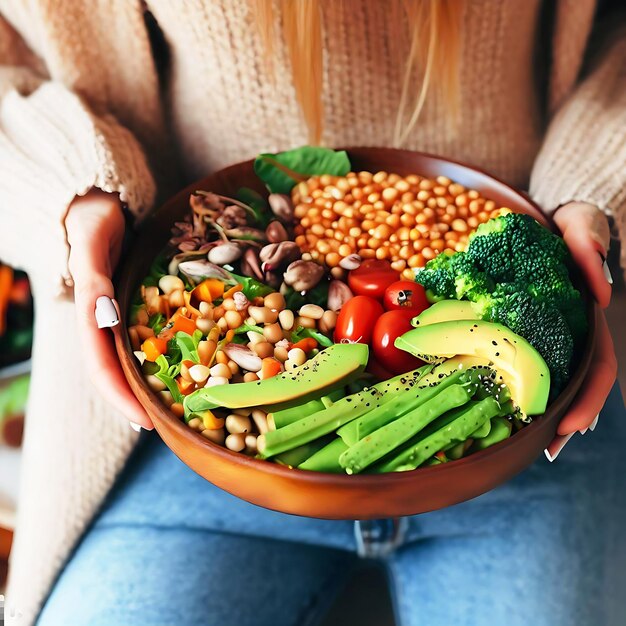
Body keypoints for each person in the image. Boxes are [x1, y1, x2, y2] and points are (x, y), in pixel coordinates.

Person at [0, 1, 624, 624]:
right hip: (171, 452)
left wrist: (590, 188)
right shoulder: (273, 310)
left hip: (527, 435)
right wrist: (78, 193)